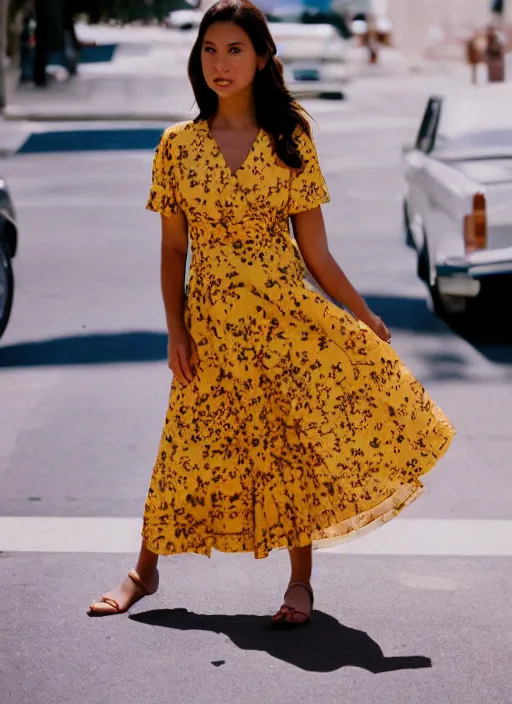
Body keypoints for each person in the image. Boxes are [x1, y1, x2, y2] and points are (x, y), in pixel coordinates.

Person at [88, 0, 455, 627]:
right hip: (208, 323)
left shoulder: (291, 137)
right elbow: (174, 247)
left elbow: (315, 250)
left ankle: (300, 583)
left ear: (262, 59)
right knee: (186, 441)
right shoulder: (177, 145)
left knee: (292, 444)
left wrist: (361, 312)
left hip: (285, 323)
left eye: (235, 50)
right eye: (209, 49)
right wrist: (176, 329)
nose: (220, 63)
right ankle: (142, 572)